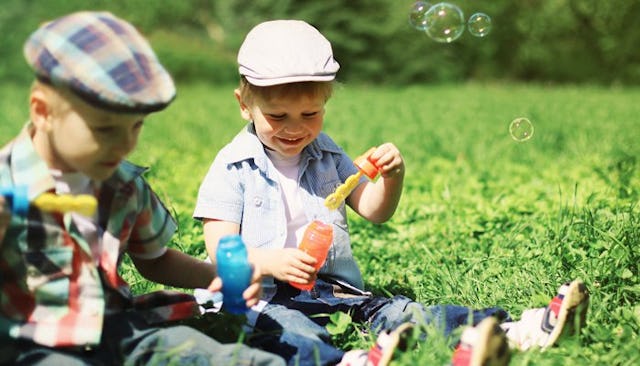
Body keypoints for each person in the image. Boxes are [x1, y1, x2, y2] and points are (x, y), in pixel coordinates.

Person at [193, 19, 589, 366]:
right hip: (260, 297)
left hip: (332, 291)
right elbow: (219, 248)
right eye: (277, 116)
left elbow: (374, 210)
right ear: (244, 104)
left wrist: (392, 179)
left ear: (325, 103)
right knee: (289, 331)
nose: (295, 127)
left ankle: (510, 330)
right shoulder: (232, 167)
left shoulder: (328, 154)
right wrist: (270, 262)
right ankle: (348, 361)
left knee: (400, 311)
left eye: (310, 114)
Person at [0, 11, 285, 366]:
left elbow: (156, 260)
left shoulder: (122, 184)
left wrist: (220, 277)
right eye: (105, 130)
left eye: (135, 126)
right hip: (33, 344)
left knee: (221, 356)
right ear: (44, 112)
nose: (125, 145)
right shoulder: (6, 185)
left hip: (119, 329)